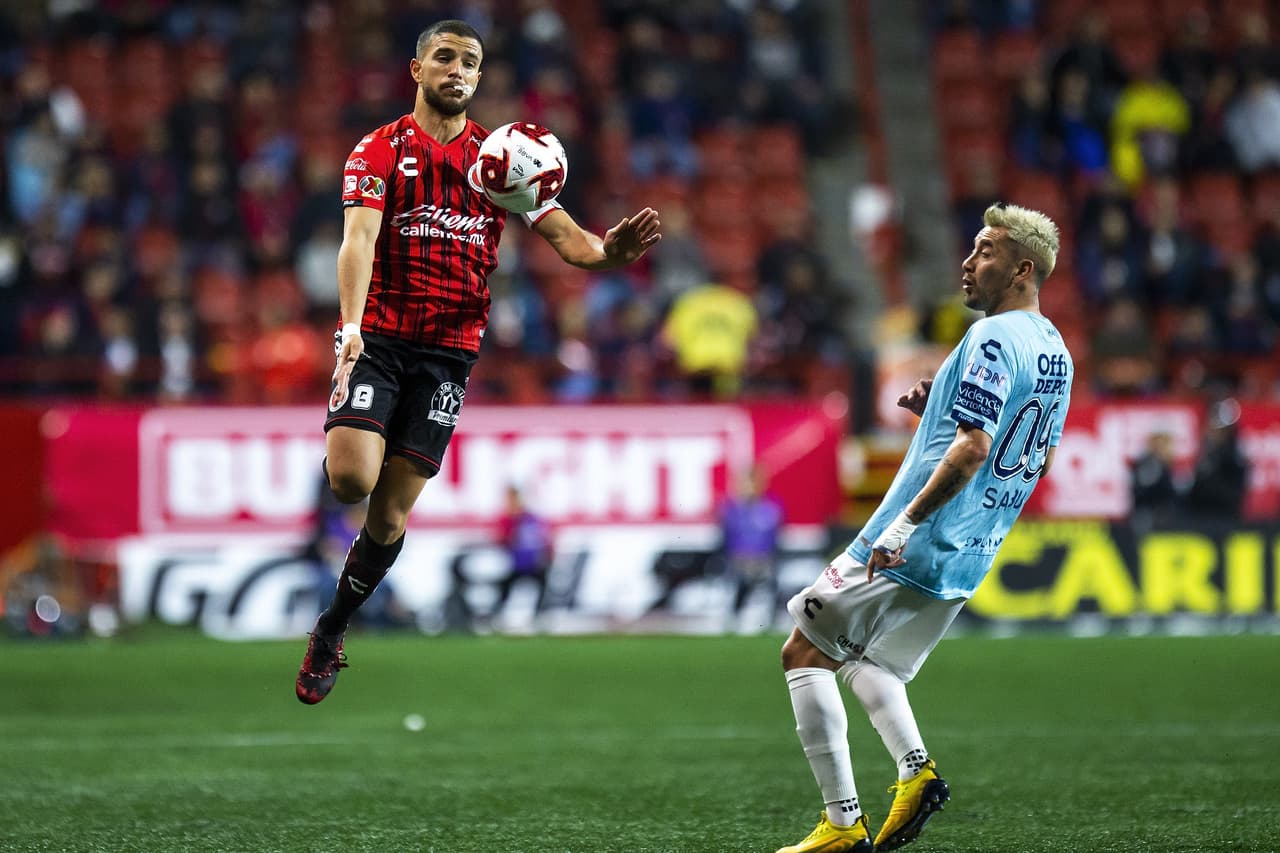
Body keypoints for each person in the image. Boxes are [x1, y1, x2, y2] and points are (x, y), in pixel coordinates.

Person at [295, 19, 662, 705]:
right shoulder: (378, 150)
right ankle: (351, 434)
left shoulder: (500, 161)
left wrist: (611, 252)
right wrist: (348, 326)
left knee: (389, 517)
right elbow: (359, 241)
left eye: (470, 61)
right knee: (350, 481)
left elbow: (571, 241)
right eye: (444, 57)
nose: (457, 69)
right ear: (416, 69)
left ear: (479, 77)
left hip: (449, 355)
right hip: (378, 338)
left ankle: (331, 628)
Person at [775, 203, 1072, 853]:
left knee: (803, 650)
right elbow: (1038, 456)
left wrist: (904, 524)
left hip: (916, 537)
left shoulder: (995, 337)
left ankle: (841, 823)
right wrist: (932, 406)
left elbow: (970, 447)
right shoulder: (1055, 352)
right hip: (970, 553)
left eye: (985, 252)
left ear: (1022, 269)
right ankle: (915, 773)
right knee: (868, 662)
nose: (968, 262)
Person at [718, 464, 784, 624]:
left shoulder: (771, 508)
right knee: (738, 585)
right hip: (738, 561)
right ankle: (733, 619)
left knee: (771, 583)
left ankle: (770, 621)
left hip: (764, 561)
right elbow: (726, 539)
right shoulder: (731, 509)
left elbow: (773, 539)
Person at [491, 485, 554, 627]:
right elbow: (501, 541)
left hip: (534, 566)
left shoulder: (531, 520)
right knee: (504, 586)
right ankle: (498, 616)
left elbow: (545, 541)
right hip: (516, 566)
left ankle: (540, 615)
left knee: (543, 583)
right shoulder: (508, 521)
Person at [1185, 398, 1249, 523]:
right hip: (1203, 517)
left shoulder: (1232, 457)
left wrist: (1205, 485)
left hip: (1222, 518)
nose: (1209, 432)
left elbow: (1233, 495)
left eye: (1216, 429)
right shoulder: (1208, 453)